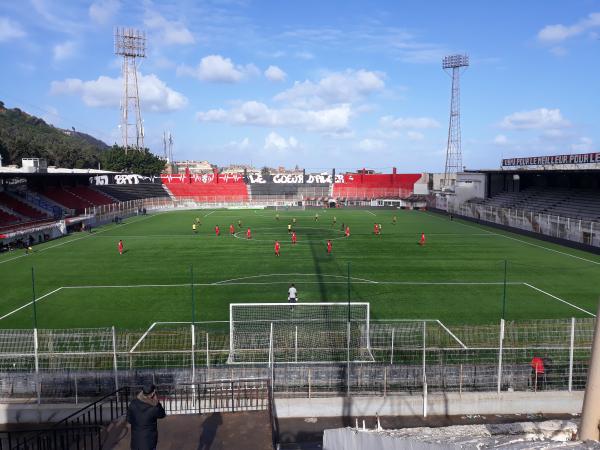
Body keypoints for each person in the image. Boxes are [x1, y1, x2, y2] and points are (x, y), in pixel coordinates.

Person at [127, 383, 166, 450]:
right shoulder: (154, 408)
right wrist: (157, 402)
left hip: (136, 442)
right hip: (149, 443)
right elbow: (162, 414)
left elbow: (129, 419)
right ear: (153, 394)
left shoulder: (133, 403)